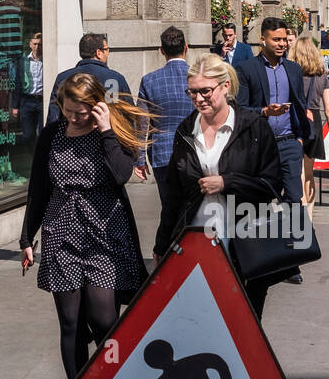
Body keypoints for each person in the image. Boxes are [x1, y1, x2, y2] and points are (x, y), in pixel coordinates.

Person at [19, 73, 150, 379]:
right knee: (71, 322)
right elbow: (38, 187)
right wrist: (27, 236)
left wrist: (105, 131)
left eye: (81, 112)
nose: (74, 118)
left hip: (104, 232)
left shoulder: (113, 132)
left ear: (98, 106)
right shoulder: (52, 135)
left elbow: (121, 176)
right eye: (68, 111)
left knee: (104, 319)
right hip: (61, 232)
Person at [153, 54, 283, 318]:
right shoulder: (185, 131)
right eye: (193, 92)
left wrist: (227, 182)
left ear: (225, 86)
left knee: (243, 324)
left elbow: (272, 185)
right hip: (197, 243)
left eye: (205, 91)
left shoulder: (253, 128)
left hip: (245, 242)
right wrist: (162, 243)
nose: (199, 99)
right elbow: (174, 195)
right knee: (200, 320)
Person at [234, 17, 311, 205]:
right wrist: (264, 112)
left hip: (289, 143)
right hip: (260, 145)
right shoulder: (247, 69)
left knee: (294, 197)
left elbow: (300, 103)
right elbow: (239, 108)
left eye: (284, 39)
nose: (282, 44)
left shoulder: (293, 69)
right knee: (262, 199)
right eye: (276, 39)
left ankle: (289, 232)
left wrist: (300, 138)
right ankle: (267, 232)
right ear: (263, 40)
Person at [135, 25, 190, 203]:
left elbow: (142, 124)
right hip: (195, 152)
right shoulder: (199, 76)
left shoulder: (149, 80)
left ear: (161, 51)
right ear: (186, 47)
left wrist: (140, 159)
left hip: (162, 154)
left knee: (169, 208)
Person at [294, 34, 329, 215]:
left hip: (296, 121)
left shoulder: (292, 74)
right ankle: (310, 216)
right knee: (309, 172)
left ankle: (301, 213)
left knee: (298, 173)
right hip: (314, 122)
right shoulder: (322, 77)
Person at [46, 32, 131, 123]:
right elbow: (128, 114)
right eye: (107, 49)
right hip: (107, 133)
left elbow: (54, 115)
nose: (108, 53)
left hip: (72, 133)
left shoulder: (62, 78)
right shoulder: (115, 78)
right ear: (98, 52)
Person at [12, 31, 44, 142]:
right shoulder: (23, 61)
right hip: (27, 100)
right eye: (35, 44)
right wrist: (15, 106)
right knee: (27, 134)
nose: (37, 47)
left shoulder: (46, 60)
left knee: (42, 133)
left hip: (41, 101)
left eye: (39, 44)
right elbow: (18, 83)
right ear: (30, 44)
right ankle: (30, 155)